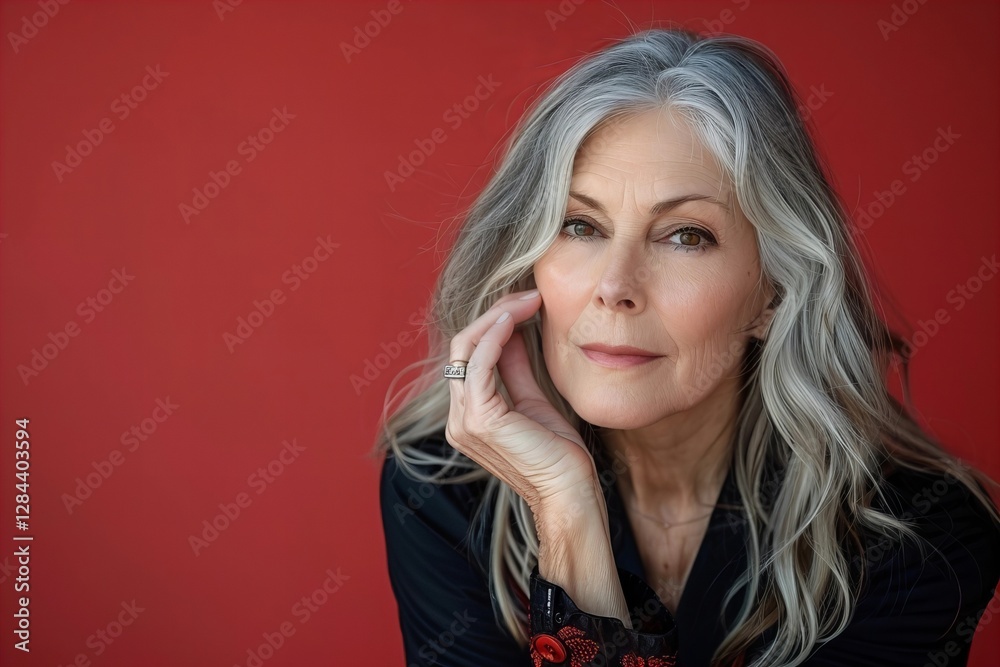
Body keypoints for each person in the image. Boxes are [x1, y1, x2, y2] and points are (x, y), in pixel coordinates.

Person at [373, 26, 1000, 667]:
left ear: (775, 293)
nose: (615, 287)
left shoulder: (919, 537)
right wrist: (561, 499)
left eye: (685, 237)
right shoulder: (442, 489)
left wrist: (568, 525)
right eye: (579, 224)